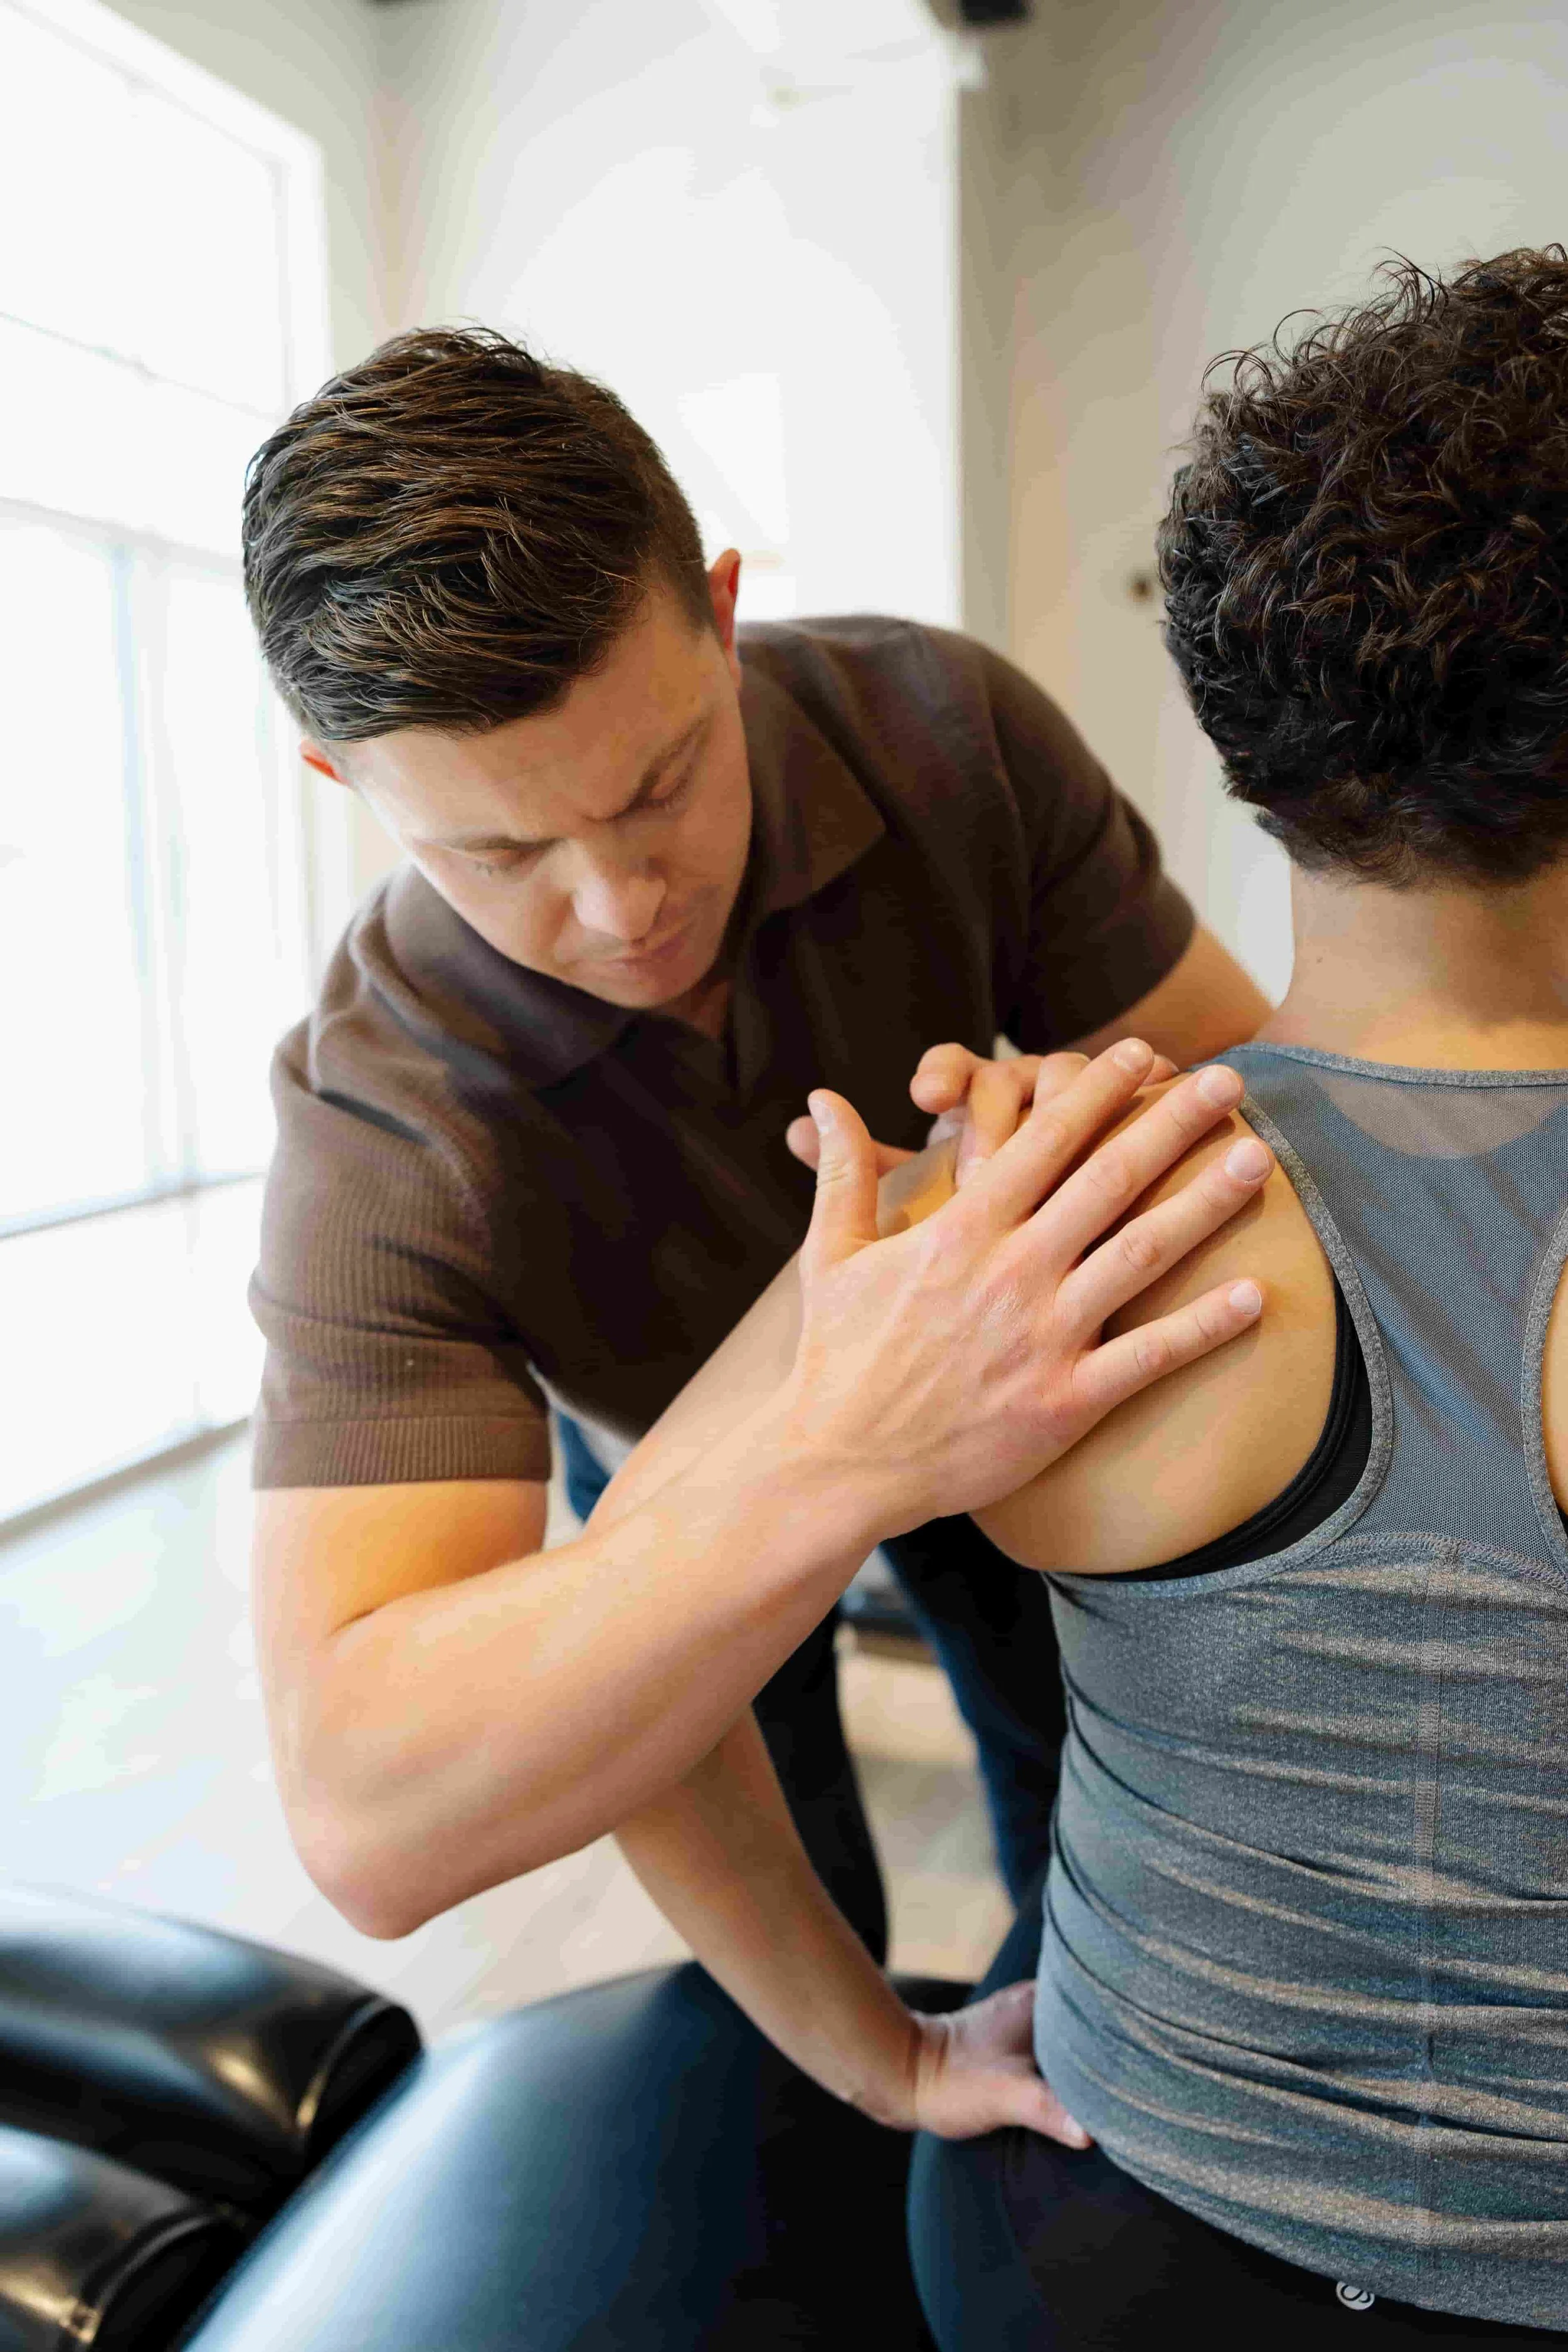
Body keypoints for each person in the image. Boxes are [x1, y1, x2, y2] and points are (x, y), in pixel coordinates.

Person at [602, 246, 1568, 2344]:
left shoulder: (1016, 1192)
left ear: (1241, 730)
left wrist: (879, 2051)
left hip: (1090, 2255)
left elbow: (631, 1672)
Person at [242, 329, 1271, 1953]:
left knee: (1069, 1749)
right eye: (499, 850)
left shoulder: (944, 733)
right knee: (774, 1850)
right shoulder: (380, 1110)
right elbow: (363, 1816)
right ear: (342, 780)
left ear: (720, 615)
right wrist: (828, 1447)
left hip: (976, 1331)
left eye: (659, 785)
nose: (618, 906)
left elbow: (1246, 1098)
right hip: (651, 1446)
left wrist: (1054, 1149)